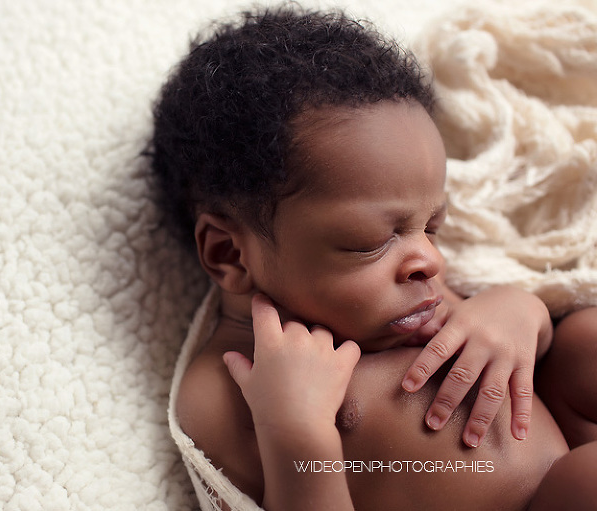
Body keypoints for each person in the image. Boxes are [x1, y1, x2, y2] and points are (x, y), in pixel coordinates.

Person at [149, 5, 597, 510]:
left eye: (432, 227)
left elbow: (528, 350)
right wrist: (297, 433)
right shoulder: (226, 392)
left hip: (564, 443)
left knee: (586, 341)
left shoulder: (410, 295)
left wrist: (518, 313)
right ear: (229, 252)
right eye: (371, 241)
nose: (428, 259)